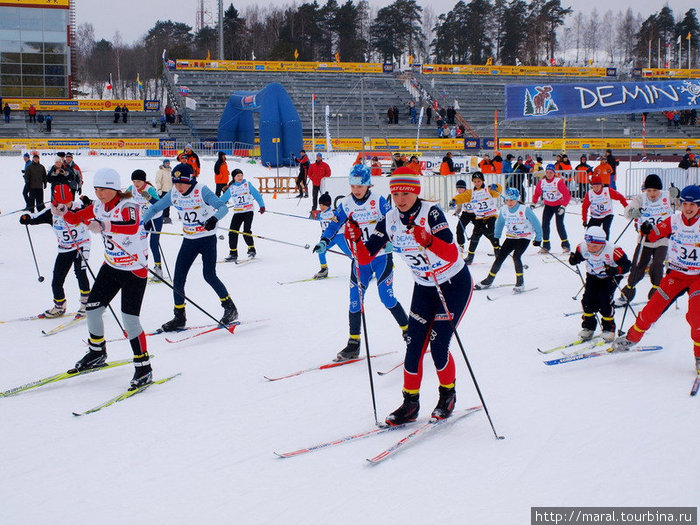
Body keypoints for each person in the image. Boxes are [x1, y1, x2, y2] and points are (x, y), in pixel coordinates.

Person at [345, 169, 471, 425]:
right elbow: (366, 257)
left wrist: (429, 240)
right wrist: (356, 241)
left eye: (405, 193)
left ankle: (448, 396)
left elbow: (451, 254)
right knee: (413, 345)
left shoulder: (431, 213)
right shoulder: (390, 218)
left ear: (415, 192)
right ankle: (410, 404)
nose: (400, 199)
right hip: (425, 286)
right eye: (395, 193)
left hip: (452, 283)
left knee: (438, 345)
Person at [57, 168, 153, 390]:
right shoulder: (99, 205)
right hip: (110, 267)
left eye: (104, 190)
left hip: (134, 270)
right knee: (92, 308)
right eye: (97, 189)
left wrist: (103, 225)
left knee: (129, 320)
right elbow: (77, 218)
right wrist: (64, 211)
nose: (99, 194)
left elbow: (130, 227)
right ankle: (97, 352)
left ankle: (143, 367)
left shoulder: (129, 205)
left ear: (114, 189)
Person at [313, 164, 409, 361]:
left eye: (360, 185)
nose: (356, 190)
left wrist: (391, 241)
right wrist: (324, 240)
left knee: (387, 298)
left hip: (381, 257)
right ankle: (353, 343)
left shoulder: (378, 201)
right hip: (359, 261)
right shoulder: (346, 204)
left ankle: (410, 333)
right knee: (355, 301)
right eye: (353, 185)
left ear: (368, 185)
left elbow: (393, 221)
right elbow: (334, 224)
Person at [612, 186, 700, 377]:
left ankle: (699, 355)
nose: (688, 208)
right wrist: (646, 229)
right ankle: (632, 338)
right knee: (651, 309)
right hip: (676, 275)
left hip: (697, 277)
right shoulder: (674, 220)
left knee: (696, 317)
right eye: (685, 203)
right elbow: (653, 234)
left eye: (692, 204)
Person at [142, 163, 236, 331]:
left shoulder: (202, 190)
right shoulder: (174, 193)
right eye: (175, 183)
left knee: (209, 275)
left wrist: (213, 219)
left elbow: (222, 207)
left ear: (190, 180)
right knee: (178, 278)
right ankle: (179, 317)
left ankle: (230, 308)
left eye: (182, 183)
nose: (178, 186)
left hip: (207, 239)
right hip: (189, 240)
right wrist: (141, 222)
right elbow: (156, 207)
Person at [19, 184, 91, 318]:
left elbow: (96, 210)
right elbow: (35, 218)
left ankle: (87, 304)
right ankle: (59, 306)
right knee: (57, 278)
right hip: (64, 248)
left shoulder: (78, 207)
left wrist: (87, 203)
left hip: (81, 245)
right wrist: (26, 219)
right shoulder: (51, 212)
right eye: (61, 203)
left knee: (80, 272)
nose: (65, 206)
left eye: (68, 202)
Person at [614, 174, 675, 306]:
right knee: (638, 266)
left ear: (660, 190)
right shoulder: (640, 198)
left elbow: (682, 205)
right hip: (645, 239)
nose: (652, 194)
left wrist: (678, 195)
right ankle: (627, 294)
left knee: (658, 265)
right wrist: (633, 212)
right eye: (649, 190)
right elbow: (628, 211)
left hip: (662, 239)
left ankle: (655, 296)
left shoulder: (667, 195)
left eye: (655, 190)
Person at [569, 226, 631, 342]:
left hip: (610, 277)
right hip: (592, 275)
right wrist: (574, 259)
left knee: (604, 300)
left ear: (602, 243)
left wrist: (615, 270)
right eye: (589, 245)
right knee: (587, 300)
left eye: (595, 246)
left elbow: (627, 265)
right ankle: (588, 327)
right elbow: (578, 257)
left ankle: (609, 329)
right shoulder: (582, 247)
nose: (591, 248)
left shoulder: (613, 250)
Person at [473, 188, 542, 292]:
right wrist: (496, 237)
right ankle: (489, 280)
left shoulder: (524, 209)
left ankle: (520, 282)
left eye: (512, 200)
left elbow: (536, 224)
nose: (509, 203)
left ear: (517, 199)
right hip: (511, 237)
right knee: (500, 257)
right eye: (507, 200)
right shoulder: (504, 209)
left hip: (524, 237)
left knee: (516, 256)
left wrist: (538, 239)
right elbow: (500, 223)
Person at [451, 172, 502, 265]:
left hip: (491, 215)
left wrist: (497, 187)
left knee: (491, 232)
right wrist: (454, 200)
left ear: (482, 181)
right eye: (475, 182)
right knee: (475, 235)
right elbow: (462, 197)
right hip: (479, 216)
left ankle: (497, 252)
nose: (477, 183)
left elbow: (497, 193)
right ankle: (470, 257)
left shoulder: (488, 189)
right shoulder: (471, 193)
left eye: (479, 181)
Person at [126, 170, 164, 281]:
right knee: (140, 242)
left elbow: (158, 204)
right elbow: (122, 198)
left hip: (156, 218)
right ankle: (139, 267)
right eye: (134, 181)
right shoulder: (132, 188)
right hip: (144, 219)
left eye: (138, 181)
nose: (136, 184)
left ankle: (158, 269)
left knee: (153, 243)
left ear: (143, 181)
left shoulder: (149, 189)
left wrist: (148, 197)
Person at [221, 168, 265, 261]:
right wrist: (214, 206)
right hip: (238, 212)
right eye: (238, 176)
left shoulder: (247, 184)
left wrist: (262, 206)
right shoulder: (231, 188)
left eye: (241, 175)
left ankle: (251, 249)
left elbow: (257, 195)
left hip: (248, 211)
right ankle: (233, 253)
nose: (240, 177)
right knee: (232, 232)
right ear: (234, 177)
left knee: (246, 230)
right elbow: (223, 199)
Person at [532, 164, 571, 254]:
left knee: (559, 224)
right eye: (547, 172)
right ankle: (546, 246)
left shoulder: (558, 182)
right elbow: (537, 193)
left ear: (554, 173)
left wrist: (563, 206)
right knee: (545, 225)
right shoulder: (542, 182)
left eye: (551, 172)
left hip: (558, 206)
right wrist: (533, 203)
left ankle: (566, 245)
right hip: (548, 206)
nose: (549, 174)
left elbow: (566, 195)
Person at [312, 192, 351, 279]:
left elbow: (340, 220)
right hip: (328, 238)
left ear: (327, 204)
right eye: (320, 205)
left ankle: (363, 267)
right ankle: (324, 269)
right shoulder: (321, 214)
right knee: (321, 251)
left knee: (349, 253)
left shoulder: (333, 212)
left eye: (322, 205)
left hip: (339, 237)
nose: (321, 207)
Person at [581, 175, 628, 239]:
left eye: (598, 186)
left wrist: (627, 208)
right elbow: (584, 207)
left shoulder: (607, 191)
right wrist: (584, 220)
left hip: (607, 215)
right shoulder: (590, 194)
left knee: (605, 230)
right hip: (595, 216)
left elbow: (621, 197)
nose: (596, 188)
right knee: (590, 232)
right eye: (594, 186)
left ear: (601, 185)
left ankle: (606, 244)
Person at [450, 179, 475, 254]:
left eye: (461, 188)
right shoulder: (459, 196)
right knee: (459, 228)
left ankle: (495, 245)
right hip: (466, 213)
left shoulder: (470, 193)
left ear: (465, 188)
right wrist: (457, 212)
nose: (459, 190)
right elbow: (459, 206)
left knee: (481, 229)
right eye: (458, 188)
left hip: (475, 213)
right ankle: (461, 245)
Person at [154, 159, 173, 224]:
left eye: (168, 163)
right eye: (166, 163)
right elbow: (158, 181)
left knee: (168, 205)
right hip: (163, 190)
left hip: (169, 190)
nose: (168, 164)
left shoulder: (170, 171)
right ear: (164, 163)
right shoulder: (160, 171)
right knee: (162, 205)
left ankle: (166, 217)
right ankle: (161, 217)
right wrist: (159, 189)